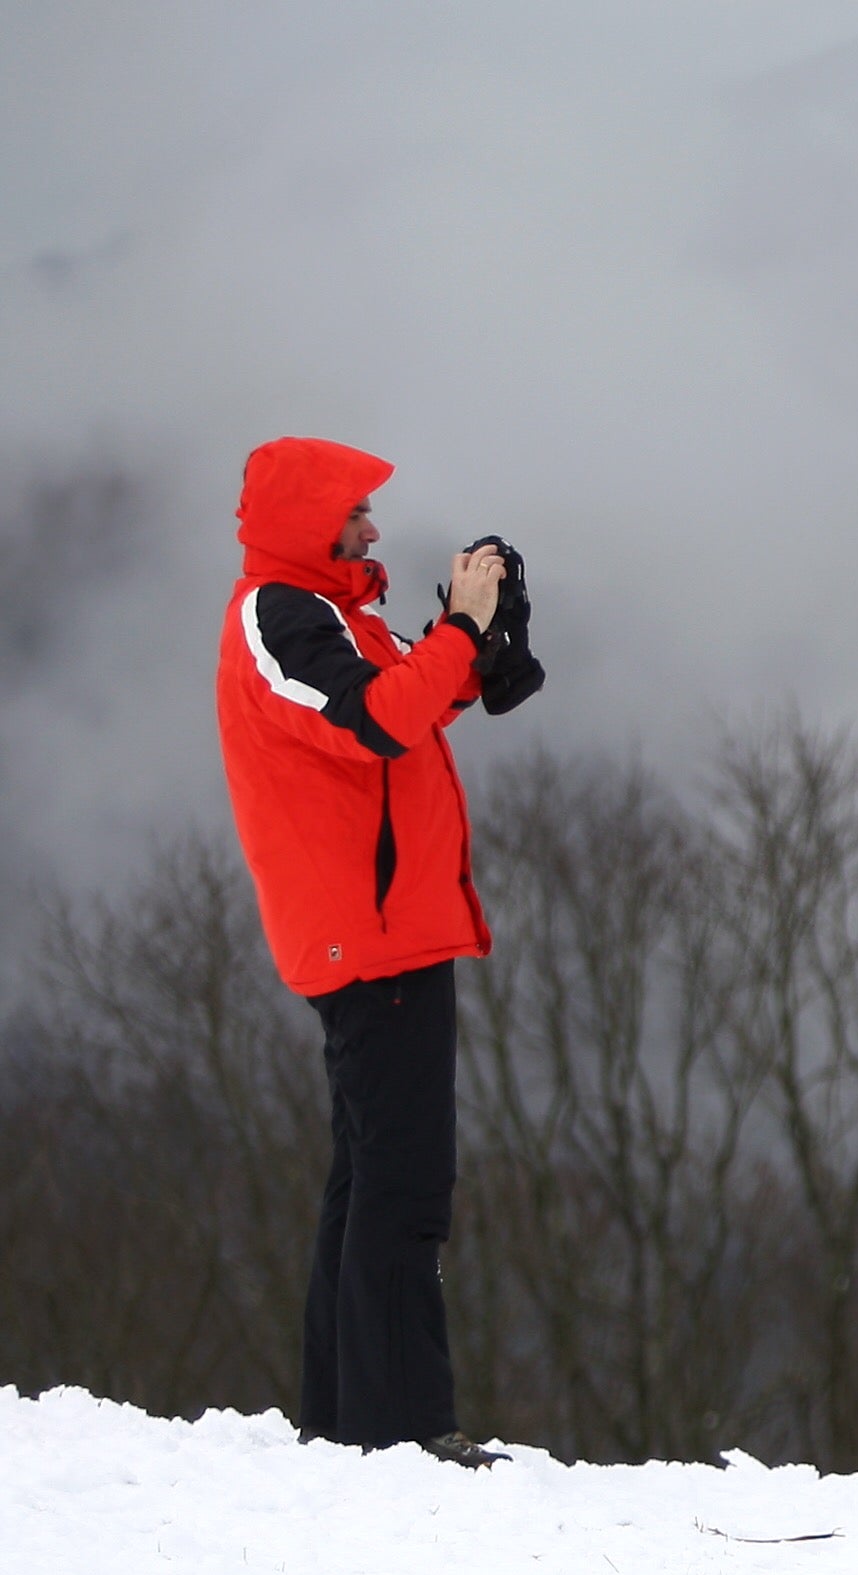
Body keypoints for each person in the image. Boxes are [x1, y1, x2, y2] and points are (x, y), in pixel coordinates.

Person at [213, 438, 540, 1463]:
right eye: (356, 510)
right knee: (404, 1183)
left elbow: (434, 696)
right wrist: (454, 627)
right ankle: (404, 1431)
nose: (372, 526)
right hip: (371, 932)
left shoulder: (339, 612)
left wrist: (473, 627)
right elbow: (377, 720)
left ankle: (345, 1415)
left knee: (367, 1177)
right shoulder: (280, 615)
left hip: (390, 924)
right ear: (310, 519)